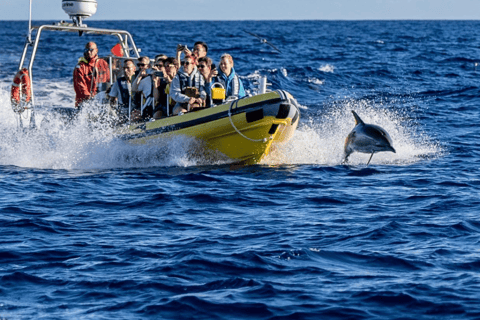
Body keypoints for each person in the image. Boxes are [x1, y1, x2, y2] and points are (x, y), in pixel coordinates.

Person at [73, 42, 110, 108]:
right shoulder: (80, 67)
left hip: (101, 99)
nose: (89, 52)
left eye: (91, 50)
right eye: (87, 50)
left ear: (96, 50)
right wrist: (90, 98)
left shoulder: (103, 63)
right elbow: (80, 86)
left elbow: (108, 79)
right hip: (85, 102)